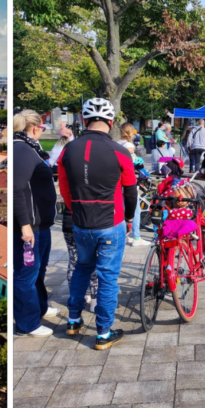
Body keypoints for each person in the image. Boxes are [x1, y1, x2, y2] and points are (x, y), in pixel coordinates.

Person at [58, 98, 137, 350]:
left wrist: (76, 210)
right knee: (107, 278)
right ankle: (103, 333)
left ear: (83, 120)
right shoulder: (120, 151)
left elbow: (64, 188)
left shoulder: (68, 150)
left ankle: (73, 320)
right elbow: (131, 190)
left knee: (82, 268)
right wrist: (129, 218)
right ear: (111, 122)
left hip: (81, 222)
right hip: (110, 222)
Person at [13, 110, 59, 337]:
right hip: (30, 226)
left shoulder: (30, 148)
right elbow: (16, 188)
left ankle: (40, 307)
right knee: (26, 274)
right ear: (34, 128)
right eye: (42, 128)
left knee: (39, 269)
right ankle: (27, 323)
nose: (42, 131)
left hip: (41, 224)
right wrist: (24, 225)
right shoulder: (21, 149)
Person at [119, 122, 151, 247]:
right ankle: (136, 237)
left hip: (118, 181)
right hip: (128, 180)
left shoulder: (117, 144)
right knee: (135, 209)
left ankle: (124, 236)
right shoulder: (129, 146)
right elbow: (132, 163)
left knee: (121, 209)